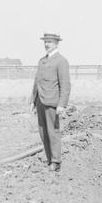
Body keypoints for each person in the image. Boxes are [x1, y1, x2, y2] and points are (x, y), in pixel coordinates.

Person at [30, 33, 71, 172]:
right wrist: (33, 101)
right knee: (43, 132)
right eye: (45, 42)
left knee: (53, 132)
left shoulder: (61, 61)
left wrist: (61, 104)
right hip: (40, 101)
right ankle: (49, 160)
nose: (47, 44)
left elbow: (65, 85)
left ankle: (56, 161)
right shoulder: (42, 60)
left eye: (50, 42)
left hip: (52, 102)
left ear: (56, 43)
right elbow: (37, 82)